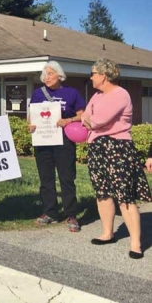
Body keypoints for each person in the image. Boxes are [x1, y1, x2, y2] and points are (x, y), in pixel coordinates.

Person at [82, 58, 151, 259]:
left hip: (118, 149)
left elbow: (97, 120)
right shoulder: (96, 96)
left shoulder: (121, 94)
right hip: (97, 148)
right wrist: (90, 122)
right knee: (102, 191)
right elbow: (87, 116)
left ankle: (136, 243)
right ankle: (107, 233)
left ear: (103, 75)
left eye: (93, 73)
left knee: (124, 195)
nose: (91, 77)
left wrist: (91, 122)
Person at [28, 61, 85, 232]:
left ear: (60, 75)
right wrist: (31, 126)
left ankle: (71, 214)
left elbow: (83, 114)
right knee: (46, 179)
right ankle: (50, 212)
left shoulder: (71, 93)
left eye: (50, 73)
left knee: (67, 178)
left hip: (64, 142)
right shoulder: (38, 93)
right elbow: (31, 117)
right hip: (43, 141)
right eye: (44, 74)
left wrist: (69, 120)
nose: (46, 77)